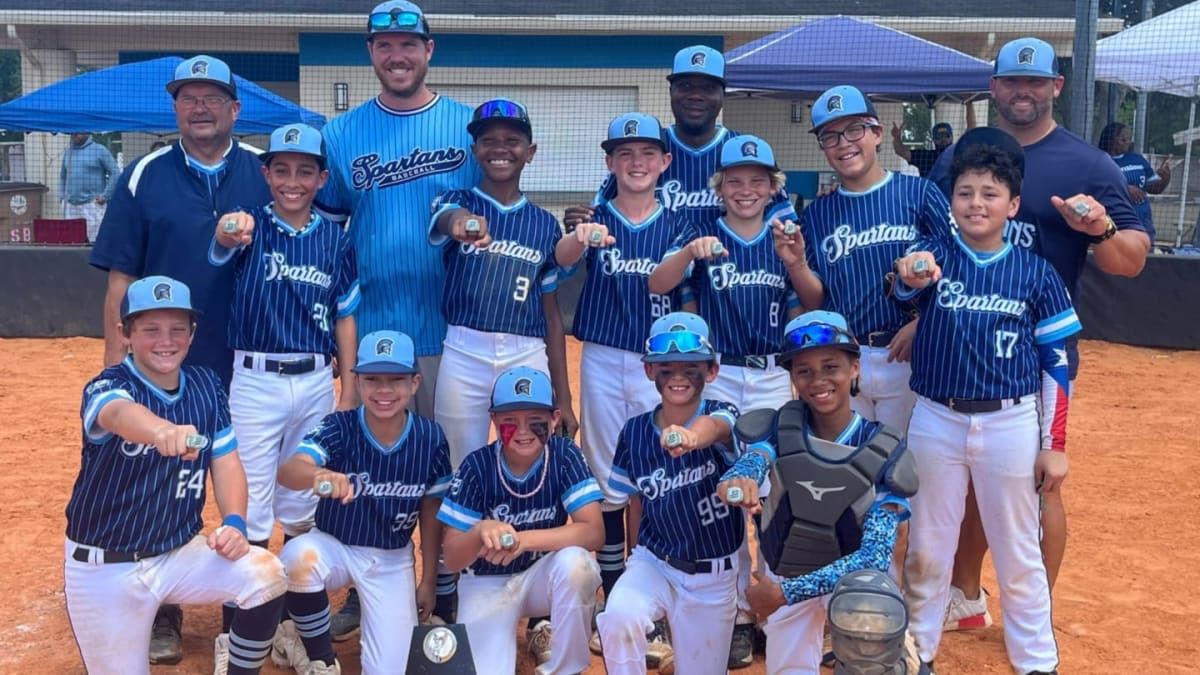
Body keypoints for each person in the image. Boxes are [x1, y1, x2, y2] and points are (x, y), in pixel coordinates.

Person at [926, 37, 1148, 634]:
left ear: (1056, 87)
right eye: (1012, 81)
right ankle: (965, 595)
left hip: (1038, 355)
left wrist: (1100, 228)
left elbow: (1131, 260)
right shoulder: (959, 158)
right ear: (994, 87)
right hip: (964, 352)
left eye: (1035, 81)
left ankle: (1035, 616)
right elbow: (937, 248)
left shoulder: (1089, 165)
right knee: (970, 486)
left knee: (1041, 485)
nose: (1022, 91)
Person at [88, 54, 271, 665]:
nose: (200, 108)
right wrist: (117, 367)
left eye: (212, 97)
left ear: (235, 109)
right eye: (188, 98)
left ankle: (242, 607)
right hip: (164, 357)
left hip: (246, 356)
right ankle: (161, 609)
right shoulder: (144, 174)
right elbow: (121, 277)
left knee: (240, 471)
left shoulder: (263, 172)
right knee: (160, 473)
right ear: (175, 108)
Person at [317, 0, 481, 638]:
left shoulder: (467, 127)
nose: (397, 55)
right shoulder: (341, 134)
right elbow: (328, 239)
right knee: (371, 469)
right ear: (371, 53)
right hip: (371, 335)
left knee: (448, 471)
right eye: (384, 45)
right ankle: (370, 582)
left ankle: (446, 586)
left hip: (452, 332)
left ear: (429, 50)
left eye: (409, 44)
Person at [895, 142, 1080, 674]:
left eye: (990, 194)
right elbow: (902, 283)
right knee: (928, 546)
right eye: (965, 192)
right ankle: (918, 652)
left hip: (1010, 419)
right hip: (937, 417)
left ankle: (1036, 661)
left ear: (1013, 205)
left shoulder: (1036, 273)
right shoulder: (933, 257)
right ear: (951, 200)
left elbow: (1055, 363)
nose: (976, 203)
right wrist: (908, 274)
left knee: (1018, 548)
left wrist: (1054, 444)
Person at [64, 275, 287, 675]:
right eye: (150, 329)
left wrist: (236, 522)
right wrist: (160, 431)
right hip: (108, 568)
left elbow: (226, 462)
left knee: (265, 574)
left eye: (177, 329)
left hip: (176, 554)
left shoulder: (206, 385)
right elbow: (117, 414)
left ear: (192, 333)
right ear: (125, 334)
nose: (165, 341)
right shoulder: (108, 384)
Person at [648, 134, 804, 667]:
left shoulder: (783, 236)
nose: (745, 189)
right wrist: (688, 252)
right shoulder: (704, 233)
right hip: (719, 375)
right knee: (723, 491)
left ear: (773, 187)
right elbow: (658, 283)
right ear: (719, 187)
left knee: (773, 491)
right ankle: (736, 612)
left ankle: (773, 603)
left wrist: (796, 262)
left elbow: (808, 305)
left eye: (757, 180)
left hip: (770, 375)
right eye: (734, 180)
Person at [715, 310, 919, 674]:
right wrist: (737, 482)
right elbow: (752, 463)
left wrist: (784, 594)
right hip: (790, 565)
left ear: (854, 368)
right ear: (792, 377)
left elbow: (873, 557)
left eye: (831, 367)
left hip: (851, 583)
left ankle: (894, 653)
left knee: (871, 607)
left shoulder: (883, 446)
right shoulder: (781, 428)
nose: (818, 380)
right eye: (804, 371)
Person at [554, 111, 689, 658]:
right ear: (610, 162)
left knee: (660, 475)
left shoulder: (678, 225)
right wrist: (577, 237)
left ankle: (652, 600)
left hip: (663, 364)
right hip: (606, 359)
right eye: (625, 154)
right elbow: (561, 263)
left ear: (665, 161)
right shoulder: (594, 218)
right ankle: (615, 596)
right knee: (609, 480)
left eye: (647, 153)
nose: (637, 162)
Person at [209, 123, 360, 561]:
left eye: (305, 171)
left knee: (303, 496)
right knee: (252, 494)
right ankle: (251, 600)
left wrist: (349, 391)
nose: (293, 182)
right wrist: (228, 229)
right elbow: (224, 236)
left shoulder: (336, 240)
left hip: (315, 380)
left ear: (322, 179)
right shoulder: (251, 225)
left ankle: (296, 596)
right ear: (266, 174)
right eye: (282, 170)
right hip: (256, 380)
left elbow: (345, 317)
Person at [273, 330, 452, 675]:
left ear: (415, 383)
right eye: (372, 379)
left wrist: (428, 579)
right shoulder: (339, 426)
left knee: (391, 670)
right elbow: (289, 471)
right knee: (298, 557)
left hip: (391, 558)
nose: (384, 390)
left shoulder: (430, 437)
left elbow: (431, 512)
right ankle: (319, 656)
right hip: (335, 546)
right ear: (356, 382)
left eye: (395, 380)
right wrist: (318, 475)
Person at [791, 84, 952, 435]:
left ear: (877, 133)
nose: (843, 143)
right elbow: (817, 300)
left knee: (907, 462)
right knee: (849, 462)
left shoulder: (920, 193)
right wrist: (796, 264)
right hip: (846, 358)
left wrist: (925, 323)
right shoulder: (817, 214)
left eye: (854, 129)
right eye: (830, 136)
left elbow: (960, 266)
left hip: (910, 355)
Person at [429, 98, 575, 467]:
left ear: (530, 152)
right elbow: (449, 218)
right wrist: (462, 224)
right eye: (488, 140)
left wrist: (564, 398)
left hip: (526, 351)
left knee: (531, 460)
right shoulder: (456, 199)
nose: (500, 149)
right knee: (458, 463)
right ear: (474, 150)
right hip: (464, 351)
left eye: (512, 140)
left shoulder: (544, 224)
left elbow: (551, 316)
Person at [596, 311, 742, 675]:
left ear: (712, 371)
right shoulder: (634, 432)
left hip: (712, 576)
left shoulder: (724, 412)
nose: (678, 376)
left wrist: (692, 436)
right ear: (649, 371)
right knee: (619, 616)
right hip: (654, 562)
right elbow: (635, 503)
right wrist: (634, 563)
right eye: (666, 367)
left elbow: (717, 428)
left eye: (691, 367)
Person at [438, 366, 604, 674]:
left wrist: (523, 540)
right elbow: (451, 557)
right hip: (486, 583)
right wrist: (479, 531)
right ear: (494, 420)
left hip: (542, 578)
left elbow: (594, 532)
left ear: (554, 419)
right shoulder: (477, 466)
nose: (523, 431)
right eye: (510, 421)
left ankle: (565, 669)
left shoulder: (564, 455)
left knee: (577, 565)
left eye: (535, 420)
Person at [564, 45, 796, 233]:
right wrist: (580, 221)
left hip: (726, 273)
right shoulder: (646, 149)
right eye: (685, 86)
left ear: (722, 95)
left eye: (707, 88)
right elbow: (597, 214)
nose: (696, 95)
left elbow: (786, 225)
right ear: (671, 92)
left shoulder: (747, 151)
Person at [1097, 121, 1171, 244]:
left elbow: (1154, 189)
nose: (1128, 142)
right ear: (1111, 139)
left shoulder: (1137, 159)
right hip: (1116, 222)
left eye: (1129, 139)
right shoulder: (1101, 161)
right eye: (1123, 139)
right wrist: (1125, 189)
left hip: (1143, 221)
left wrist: (1165, 178)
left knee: (1146, 252)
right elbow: (1097, 189)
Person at [60, 131, 119, 244]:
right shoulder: (68, 152)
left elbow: (115, 173)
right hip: (71, 205)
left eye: (78, 131)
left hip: (92, 204)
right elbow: (63, 176)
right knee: (72, 243)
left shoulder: (99, 150)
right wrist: (62, 197)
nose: (74, 134)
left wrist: (105, 196)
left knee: (95, 242)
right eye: (72, 132)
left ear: (87, 132)